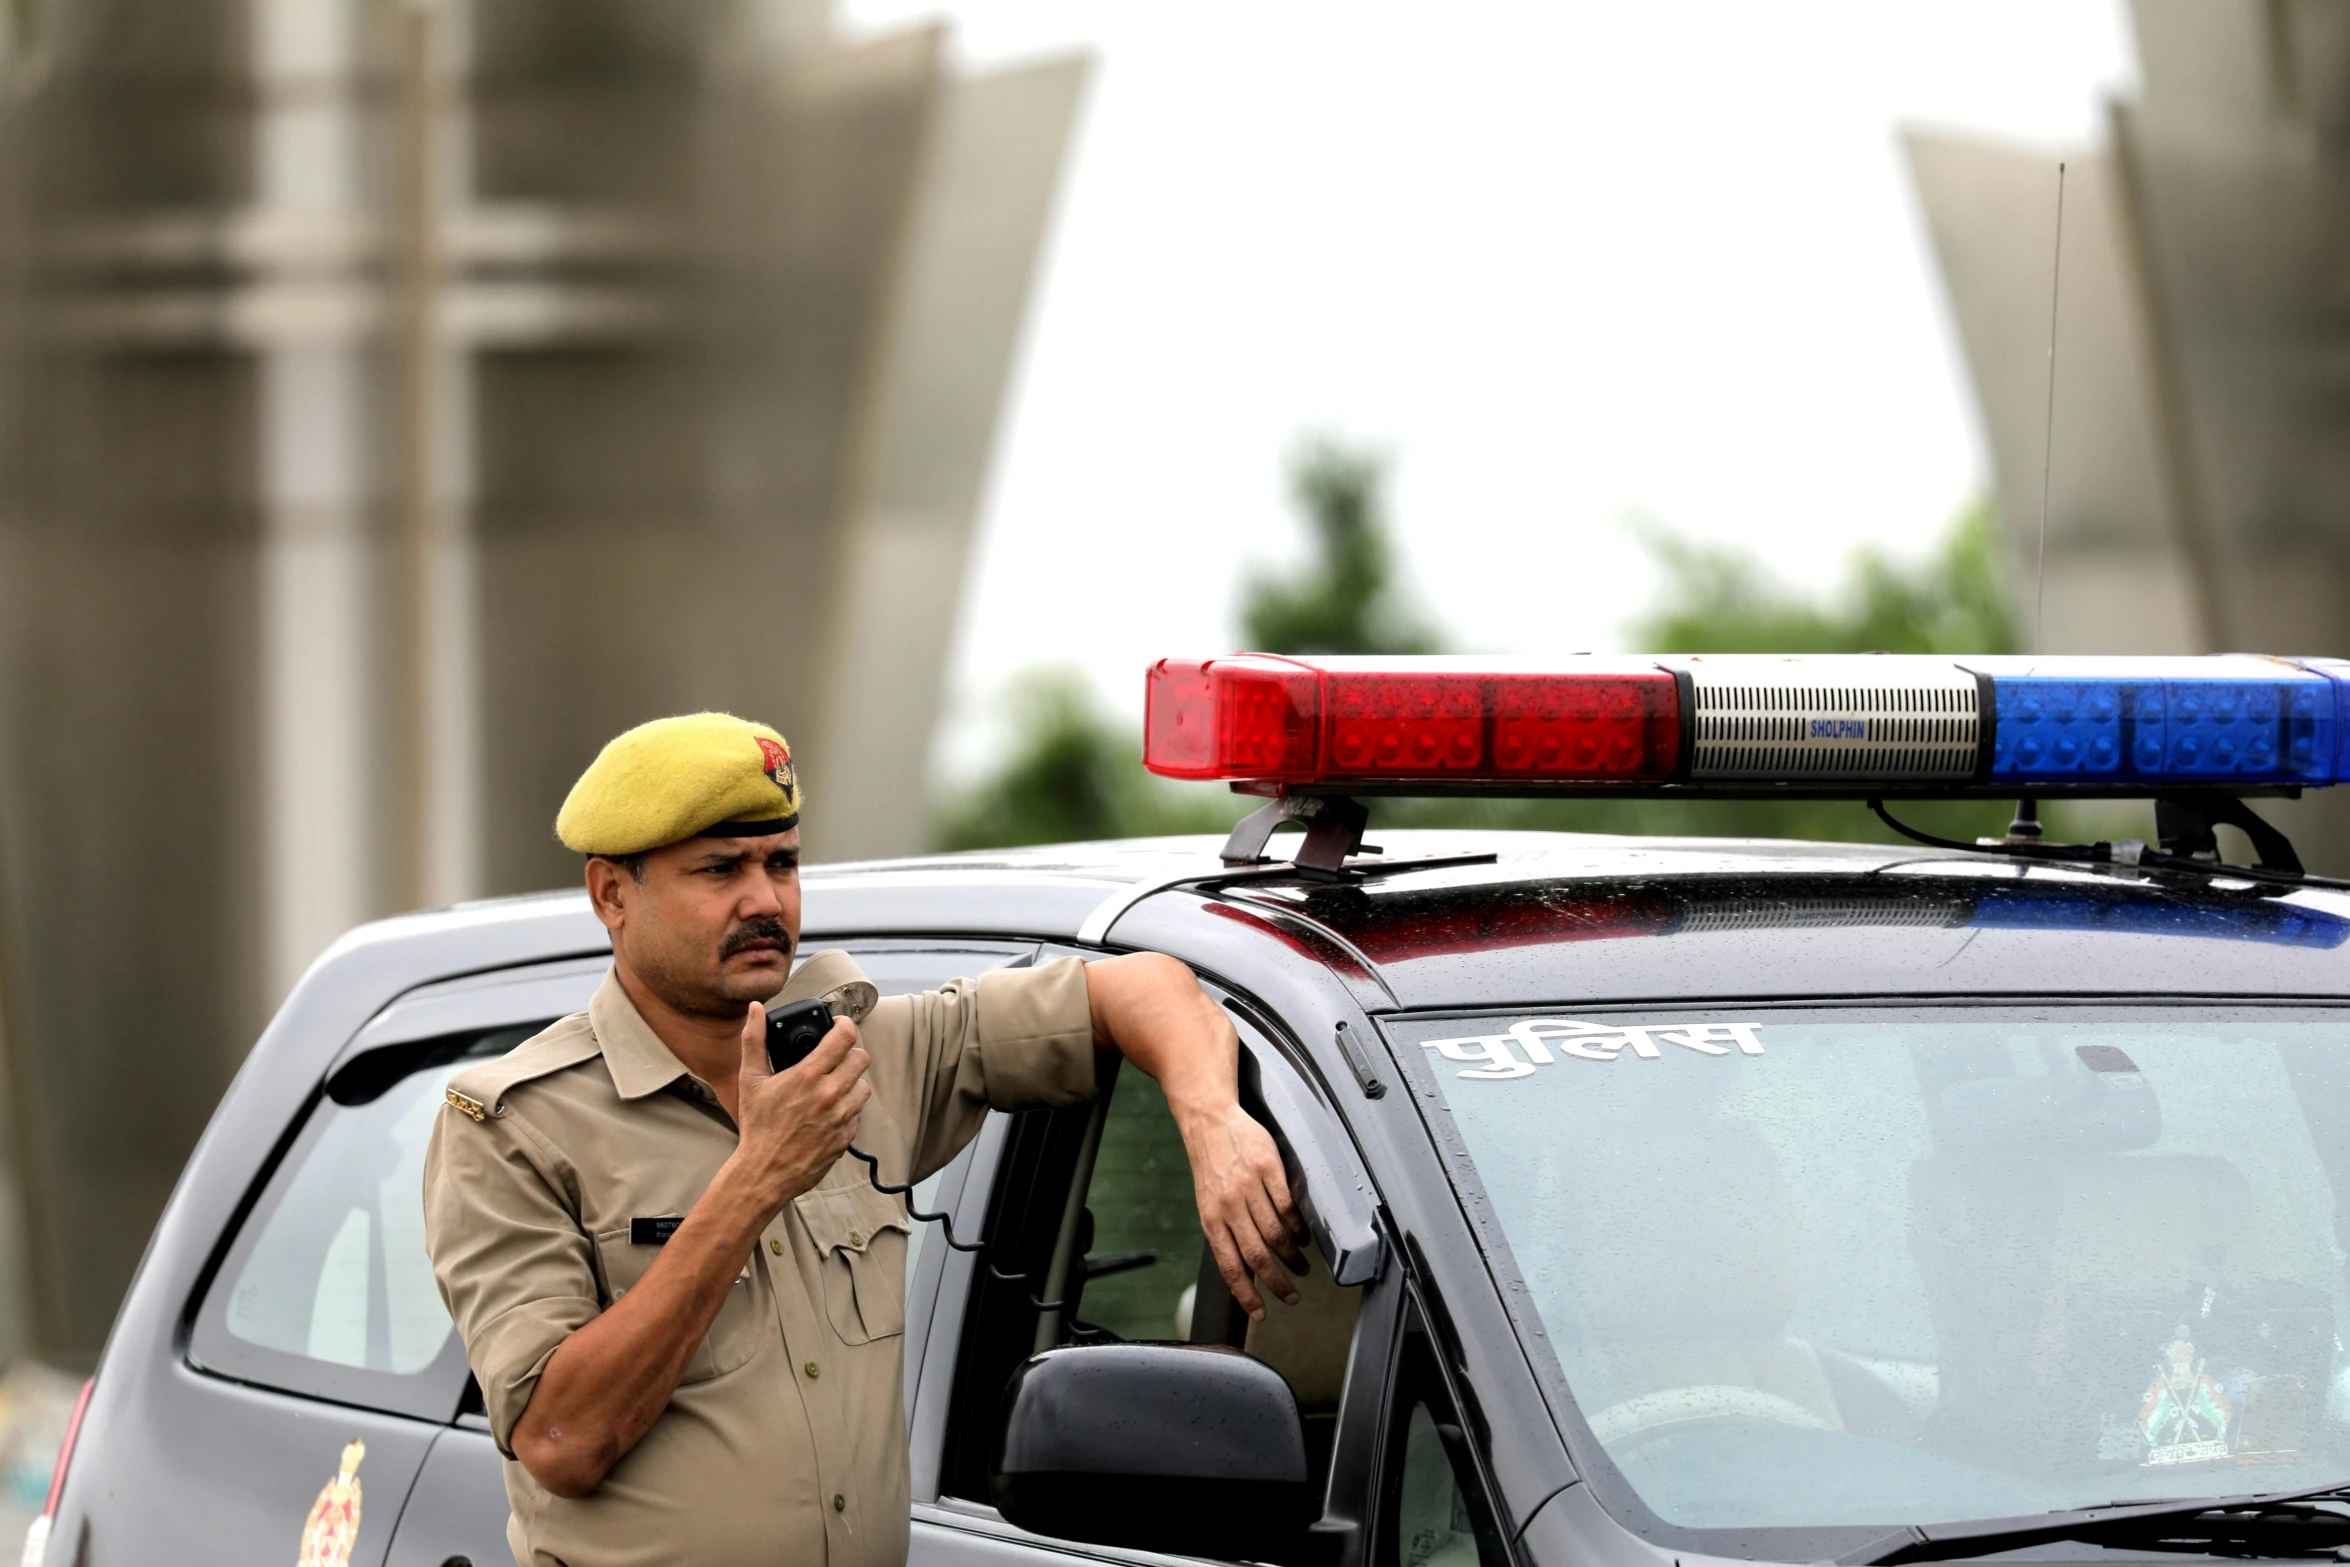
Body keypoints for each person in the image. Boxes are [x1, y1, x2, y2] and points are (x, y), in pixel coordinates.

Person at [423, 712, 1308, 1567]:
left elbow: (1141, 989)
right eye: (720, 869)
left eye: (783, 861)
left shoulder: (864, 1049)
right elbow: (560, 1439)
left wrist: (1211, 1121)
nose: (765, 899)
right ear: (612, 893)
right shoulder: (515, 1126)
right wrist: (754, 1180)